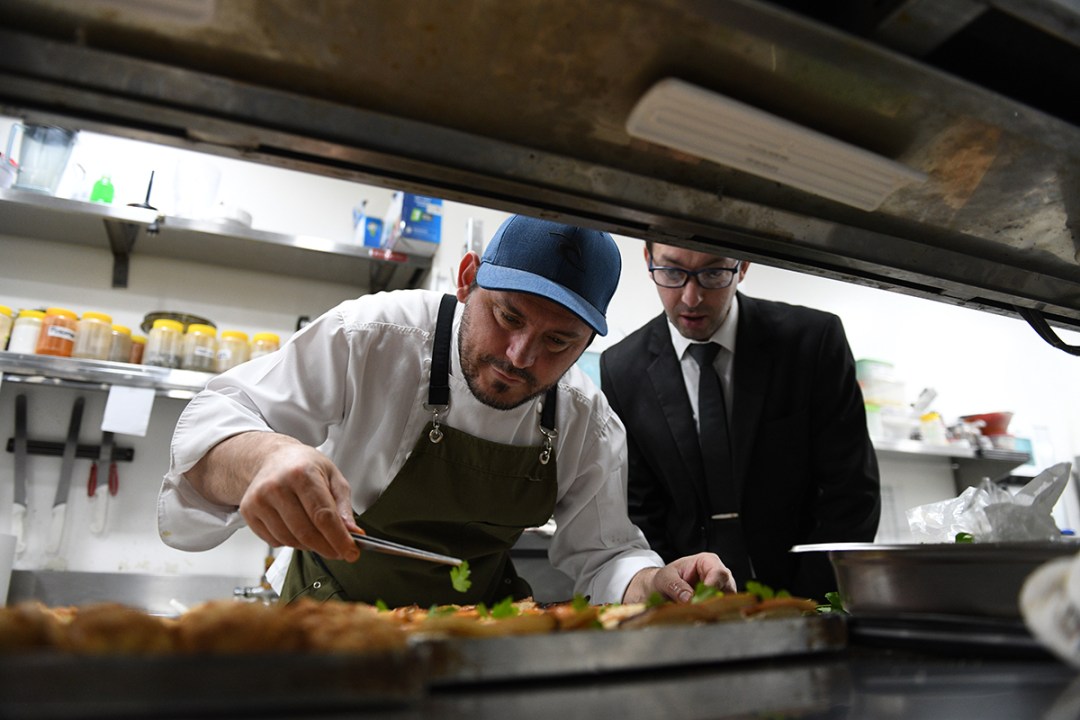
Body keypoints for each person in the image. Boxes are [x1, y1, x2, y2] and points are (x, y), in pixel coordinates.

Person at [157, 215, 733, 608]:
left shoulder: (586, 419)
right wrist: (265, 455)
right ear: (467, 279)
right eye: (507, 317)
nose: (520, 357)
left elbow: (604, 554)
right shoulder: (373, 337)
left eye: (558, 342)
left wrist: (652, 581)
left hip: (476, 638)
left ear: (588, 343)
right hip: (328, 619)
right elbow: (215, 419)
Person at [599, 240, 880, 601]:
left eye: (713, 273)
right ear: (648, 259)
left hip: (804, 591)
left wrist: (805, 602)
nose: (691, 297)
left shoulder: (812, 342)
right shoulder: (622, 368)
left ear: (742, 266)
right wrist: (676, 597)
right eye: (671, 271)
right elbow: (640, 508)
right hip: (689, 601)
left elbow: (851, 493)